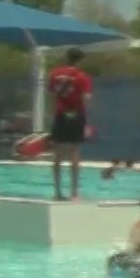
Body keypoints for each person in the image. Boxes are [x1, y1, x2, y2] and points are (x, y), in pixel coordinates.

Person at [45, 47, 93, 201]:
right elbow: (86, 98)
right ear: (80, 60)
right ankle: (74, 193)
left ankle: (57, 192)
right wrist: (85, 122)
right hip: (76, 115)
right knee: (74, 153)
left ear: (66, 58)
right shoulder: (82, 77)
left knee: (58, 154)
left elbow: (52, 95)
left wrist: (53, 115)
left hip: (60, 115)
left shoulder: (54, 74)